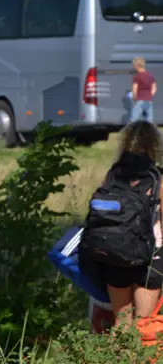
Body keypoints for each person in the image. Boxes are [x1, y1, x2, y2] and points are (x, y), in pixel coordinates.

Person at [93, 121, 163, 327]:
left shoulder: (113, 175)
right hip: (150, 258)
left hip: (115, 253)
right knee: (143, 325)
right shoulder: (158, 177)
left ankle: (118, 358)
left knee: (121, 322)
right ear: (154, 146)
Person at [131, 57, 157, 123]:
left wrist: (134, 97)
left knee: (134, 118)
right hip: (149, 100)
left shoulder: (137, 76)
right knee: (149, 119)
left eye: (134, 65)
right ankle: (150, 132)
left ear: (137, 66)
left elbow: (134, 89)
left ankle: (132, 132)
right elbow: (154, 88)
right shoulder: (150, 75)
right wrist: (150, 95)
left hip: (140, 100)